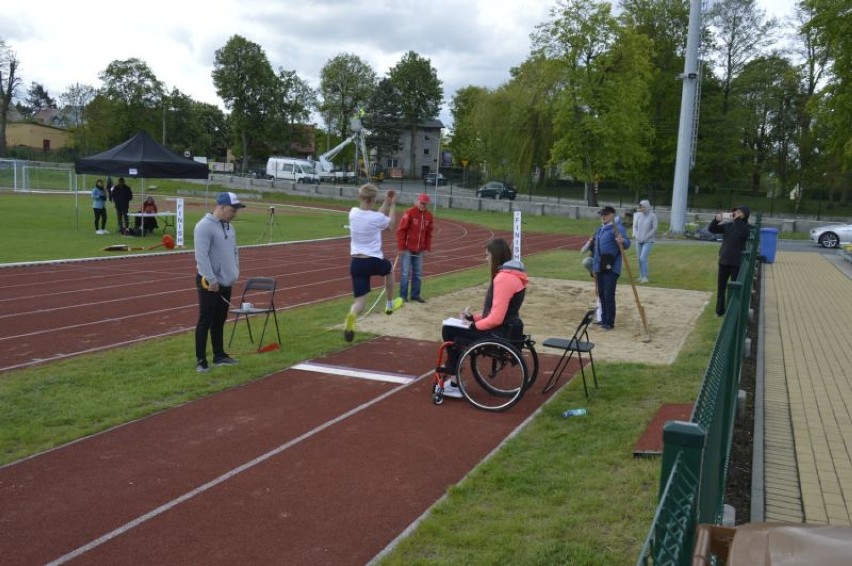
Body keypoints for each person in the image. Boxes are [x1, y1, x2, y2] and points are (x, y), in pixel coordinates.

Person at [438, 237, 528, 398]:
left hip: (497, 333)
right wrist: (474, 319)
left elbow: (496, 318)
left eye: (487, 256)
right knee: (457, 327)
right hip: (505, 328)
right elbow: (494, 313)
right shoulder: (513, 276)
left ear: (496, 256)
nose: (486, 259)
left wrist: (473, 326)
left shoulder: (503, 279)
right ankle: (454, 369)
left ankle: (453, 380)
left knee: (449, 329)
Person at [343, 183, 404, 342]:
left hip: (356, 262)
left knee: (360, 302)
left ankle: (352, 316)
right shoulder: (375, 218)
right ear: (373, 200)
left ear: (360, 197)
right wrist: (392, 204)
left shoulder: (353, 213)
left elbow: (375, 217)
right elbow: (389, 225)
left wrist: (385, 201)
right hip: (373, 259)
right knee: (389, 269)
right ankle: (389, 304)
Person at [193, 192, 246, 373]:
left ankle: (219, 355)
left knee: (220, 320)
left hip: (225, 282)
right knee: (205, 320)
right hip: (209, 283)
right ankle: (201, 360)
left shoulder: (230, 227)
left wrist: (234, 272)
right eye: (232, 210)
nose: (234, 214)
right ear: (221, 207)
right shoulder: (203, 227)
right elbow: (201, 256)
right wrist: (211, 279)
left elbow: (234, 251)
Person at [592, 205, 631, 331]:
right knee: (602, 294)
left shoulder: (616, 227)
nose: (603, 216)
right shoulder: (601, 229)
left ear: (612, 215)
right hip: (600, 266)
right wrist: (595, 267)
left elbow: (627, 243)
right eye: (602, 214)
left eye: (606, 214)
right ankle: (603, 319)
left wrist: (622, 241)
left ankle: (609, 322)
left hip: (612, 267)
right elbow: (596, 250)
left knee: (609, 294)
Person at [708, 205, 751, 317]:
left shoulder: (745, 227)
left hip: (736, 262)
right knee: (721, 287)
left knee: (734, 289)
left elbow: (743, 233)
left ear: (744, 214)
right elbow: (712, 229)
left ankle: (733, 312)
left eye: (738, 212)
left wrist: (737, 219)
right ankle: (719, 311)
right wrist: (716, 220)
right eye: (735, 212)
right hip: (724, 261)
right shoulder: (728, 225)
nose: (735, 213)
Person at [396, 192, 435, 303]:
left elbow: (429, 233)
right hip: (408, 248)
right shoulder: (409, 212)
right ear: (418, 201)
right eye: (421, 203)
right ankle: (403, 296)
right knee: (405, 273)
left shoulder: (429, 216)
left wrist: (427, 247)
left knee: (418, 273)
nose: (422, 205)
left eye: (425, 203)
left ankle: (415, 294)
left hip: (420, 249)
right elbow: (401, 230)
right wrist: (401, 247)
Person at [632, 199, 658, 283]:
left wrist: (647, 236)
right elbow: (635, 227)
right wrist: (636, 235)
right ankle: (641, 276)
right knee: (639, 259)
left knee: (643, 258)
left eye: (643, 207)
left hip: (648, 240)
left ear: (647, 207)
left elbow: (654, 228)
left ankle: (645, 277)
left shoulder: (652, 216)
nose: (642, 209)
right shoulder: (638, 215)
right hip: (638, 240)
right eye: (640, 207)